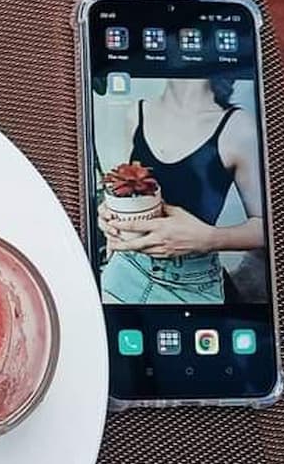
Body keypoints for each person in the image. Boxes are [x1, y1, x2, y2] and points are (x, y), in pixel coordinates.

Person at [98, 77, 265, 304]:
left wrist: (210, 239)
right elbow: (127, 187)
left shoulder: (239, 127)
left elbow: (268, 227)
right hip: (125, 271)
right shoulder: (137, 112)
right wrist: (110, 213)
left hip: (192, 285)